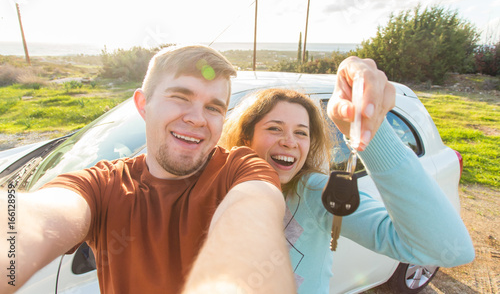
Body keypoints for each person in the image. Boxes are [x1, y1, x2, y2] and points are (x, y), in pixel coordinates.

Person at [0, 45, 296, 294]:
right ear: (143, 104)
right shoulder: (103, 185)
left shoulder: (241, 170)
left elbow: (255, 212)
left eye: (214, 108)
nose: (196, 118)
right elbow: (32, 221)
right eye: (181, 97)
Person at [219, 57, 475, 293]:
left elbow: (449, 249)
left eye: (301, 132)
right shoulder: (217, 185)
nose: (289, 141)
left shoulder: (314, 192)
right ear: (245, 137)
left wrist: (369, 134)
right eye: (275, 128)